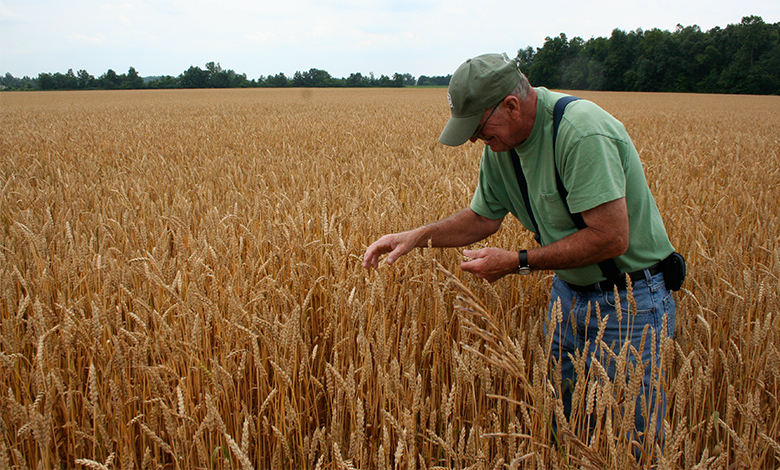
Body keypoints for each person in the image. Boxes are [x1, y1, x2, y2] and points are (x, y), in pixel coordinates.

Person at [362, 52, 677, 449]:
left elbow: (611, 238)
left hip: (632, 301)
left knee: (633, 437)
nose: (476, 139)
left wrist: (518, 262)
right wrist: (418, 236)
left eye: (478, 128)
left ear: (511, 105)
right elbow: (482, 218)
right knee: (565, 425)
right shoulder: (502, 147)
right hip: (569, 295)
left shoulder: (580, 133)